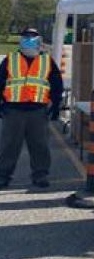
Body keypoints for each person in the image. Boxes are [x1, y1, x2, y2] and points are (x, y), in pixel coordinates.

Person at [0, 28, 63, 189]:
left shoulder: (47, 61)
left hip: (37, 111)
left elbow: (57, 86)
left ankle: (40, 175)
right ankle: (3, 176)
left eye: (32, 37)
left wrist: (56, 106)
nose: (29, 39)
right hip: (13, 110)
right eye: (26, 36)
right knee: (9, 145)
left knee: (39, 145)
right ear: (21, 40)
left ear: (39, 40)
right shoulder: (10, 59)